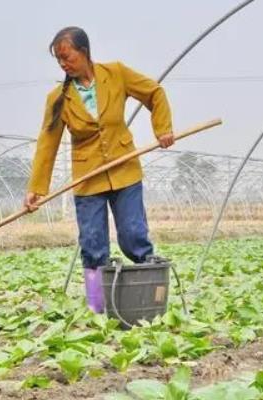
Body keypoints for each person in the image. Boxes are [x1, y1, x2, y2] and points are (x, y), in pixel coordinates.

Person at [24, 27, 174, 313]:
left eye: (67, 57)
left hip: (125, 170)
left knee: (134, 237)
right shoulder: (58, 98)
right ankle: (97, 307)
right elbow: (47, 144)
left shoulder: (115, 73)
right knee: (93, 247)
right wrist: (36, 189)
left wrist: (163, 129)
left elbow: (154, 93)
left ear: (84, 52)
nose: (63, 64)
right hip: (88, 179)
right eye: (59, 60)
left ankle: (150, 303)